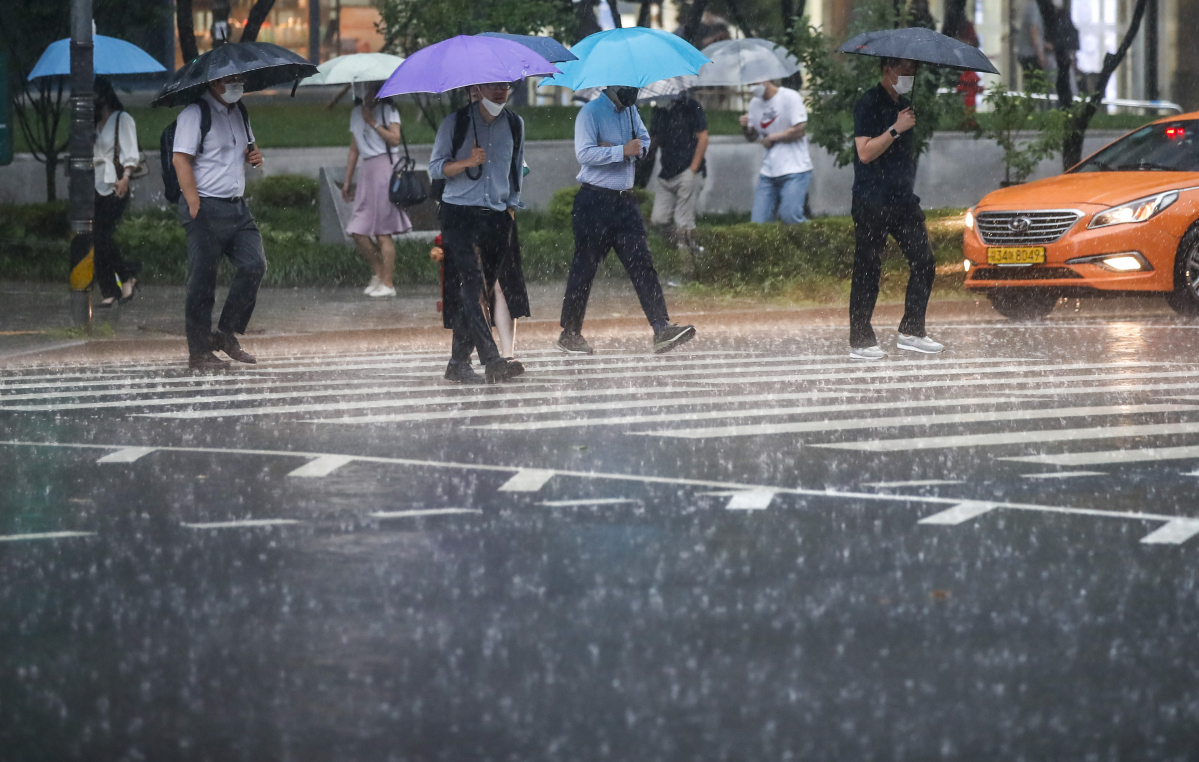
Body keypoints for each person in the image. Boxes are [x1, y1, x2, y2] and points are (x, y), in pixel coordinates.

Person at [557, 86, 695, 356]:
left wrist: (629, 149)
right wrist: (621, 151)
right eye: (625, 85)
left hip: (626, 202)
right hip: (594, 201)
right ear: (609, 84)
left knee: (642, 263)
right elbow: (584, 154)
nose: (632, 90)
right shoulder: (590, 113)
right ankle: (570, 333)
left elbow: (644, 144)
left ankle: (661, 327)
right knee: (585, 267)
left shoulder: (632, 111)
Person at [428, 81, 527, 384]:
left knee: (479, 291)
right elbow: (434, 169)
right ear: (479, 87)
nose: (500, 91)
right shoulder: (455, 122)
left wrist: (510, 210)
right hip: (459, 214)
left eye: (505, 86)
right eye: (493, 86)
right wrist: (467, 163)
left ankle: (458, 363)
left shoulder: (514, 123)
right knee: (471, 286)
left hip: (497, 217)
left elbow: (515, 171)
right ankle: (491, 359)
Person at [848, 57, 942, 361]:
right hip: (872, 199)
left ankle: (912, 330)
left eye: (915, 69)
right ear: (888, 69)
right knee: (868, 268)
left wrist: (903, 124)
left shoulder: (904, 105)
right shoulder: (868, 102)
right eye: (906, 69)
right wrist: (895, 129)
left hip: (902, 199)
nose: (911, 75)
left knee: (924, 260)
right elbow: (864, 153)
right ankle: (861, 339)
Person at [172, 74, 266, 371]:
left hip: (237, 207)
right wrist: (194, 202)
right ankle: (199, 351)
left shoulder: (240, 111)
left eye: (240, 77)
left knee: (254, 264)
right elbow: (180, 159)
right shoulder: (194, 114)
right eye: (232, 78)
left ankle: (225, 334)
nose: (239, 83)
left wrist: (254, 155)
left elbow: (247, 149)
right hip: (205, 206)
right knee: (203, 280)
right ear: (215, 82)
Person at [341, 82, 412, 298]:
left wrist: (373, 123)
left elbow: (395, 138)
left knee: (383, 232)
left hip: (385, 170)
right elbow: (354, 149)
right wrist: (347, 180)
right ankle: (379, 272)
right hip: (367, 171)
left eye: (370, 88)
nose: (367, 92)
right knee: (357, 230)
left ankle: (388, 283)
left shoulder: (388, 110)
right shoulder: (356, 113)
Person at [91, 77, 142, 309]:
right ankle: (110, 289)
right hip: (95, 184)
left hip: (116, 183)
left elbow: (131, 150)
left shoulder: (122, 119)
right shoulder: (91, 124)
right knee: (97, 238)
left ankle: (127, 275)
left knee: (105, 235)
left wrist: (126, 177)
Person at [648, 91, 709, 278]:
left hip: (687, 172)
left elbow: (703, 138)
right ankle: (694, 249)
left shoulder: (691, 106)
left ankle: (688, 273)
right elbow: (655, 140)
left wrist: (692, 170)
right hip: (666, 174)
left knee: (683, 223)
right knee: (659, 220)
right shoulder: (658, 111)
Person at [740, 79, 813, 225]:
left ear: (766, 79)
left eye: (754, 82)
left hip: (795, 169)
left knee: (790, 216)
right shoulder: (755, 103)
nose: (752, 87)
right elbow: (753, 137)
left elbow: (799, 129)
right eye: (749, 83)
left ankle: (819, 239)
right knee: (758, 223)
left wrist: (773, 137)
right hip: (769, 171)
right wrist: (745, 127)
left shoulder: (789, 97)